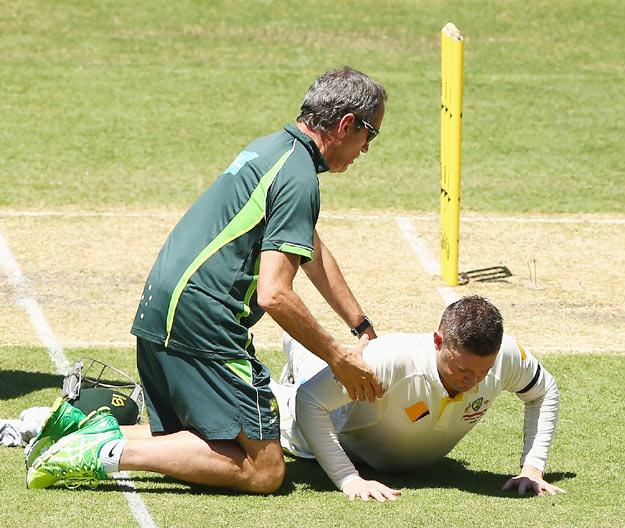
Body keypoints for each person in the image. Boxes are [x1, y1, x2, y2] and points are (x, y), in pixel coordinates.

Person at [26, 66, 387, 492]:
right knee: (265, 469)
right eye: (371, 134)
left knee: (202, 444)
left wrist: (360, 326)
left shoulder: (272, 151)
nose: (365, 149)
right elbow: (274, 294)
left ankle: (77, 428)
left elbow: (311, 248)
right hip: (203, 321)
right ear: (347, 125)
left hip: (162, 308)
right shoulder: (298, 177)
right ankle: (101, 451)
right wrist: (337, 357)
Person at [270, 296, 565, 502]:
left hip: (393, 449)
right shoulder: (390, 358)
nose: (473, 381)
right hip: (334, 432)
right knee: (293, 392)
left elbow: (544, 391)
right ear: (438, 342)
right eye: (462, 369)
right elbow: (309, 404)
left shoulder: (506, 356)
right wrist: (349, 479)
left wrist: (533, 468)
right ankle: (295, 346)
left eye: (483, 371)